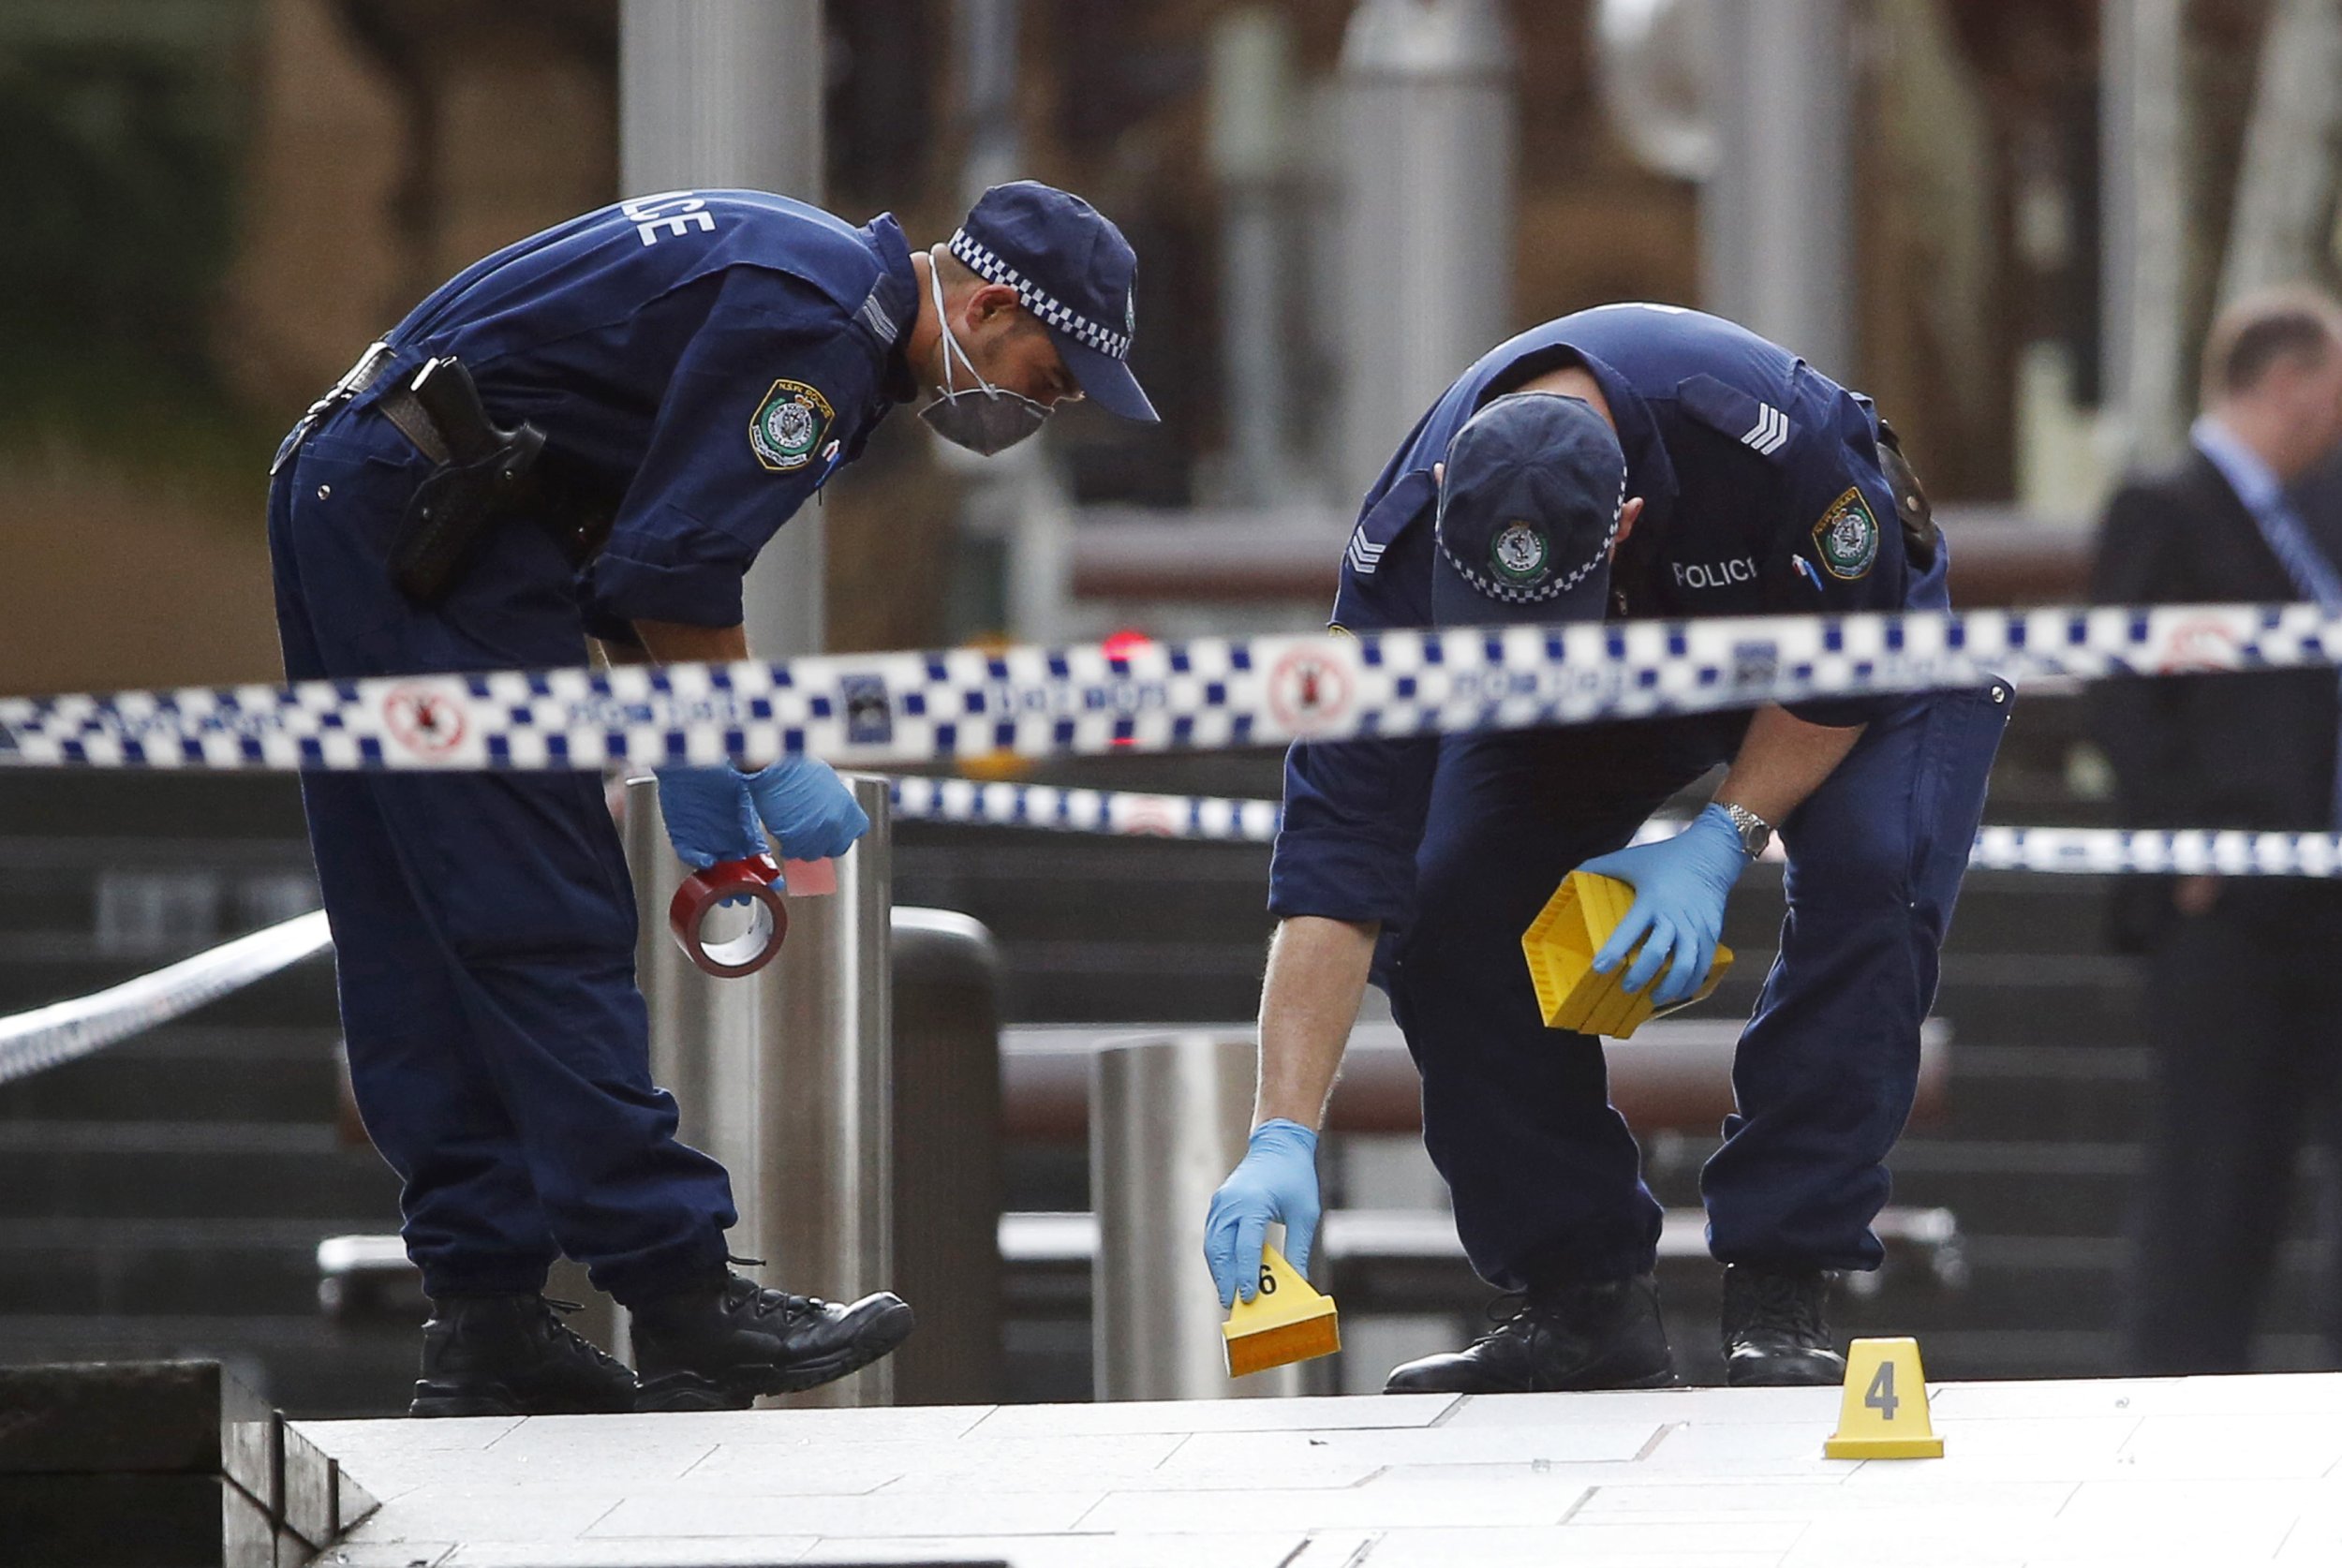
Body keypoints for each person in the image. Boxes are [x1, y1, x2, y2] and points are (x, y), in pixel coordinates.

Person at [268, 182, 1157, 1415]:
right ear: (992, 300)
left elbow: (637, 548)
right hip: (432, 527)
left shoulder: (806, 274)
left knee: (420, 927)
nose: (1040, 410)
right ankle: (683, 1295)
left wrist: (694, 743)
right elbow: (679, 568)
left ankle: (485, 1314)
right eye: (1050, 376)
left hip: (370, 489)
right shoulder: (820, 333)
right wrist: (760, 750)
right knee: (544, 914)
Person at [1204, 303, 2011, 1391]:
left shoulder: (1770, 442)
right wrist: (1281, 1133)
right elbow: (1338, 863)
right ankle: (1581, 1301)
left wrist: (1723, 836)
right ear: (1446, 514)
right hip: (1601, 692)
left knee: (1875, 878)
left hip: (1832, 654)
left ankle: (1783, 1289)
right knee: (1446, 909)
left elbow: (1847, 673)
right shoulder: (1398, 548)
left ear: (1623, 519)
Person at [2090, 287, 2342, 1376]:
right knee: (2214, 1167)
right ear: (2286, 381)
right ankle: (2177, 1380)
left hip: (2321, 896)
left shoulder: (2315, 514)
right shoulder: (2164, 507)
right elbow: (2124, 699)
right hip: (2226, 907)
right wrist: (2188, 853)